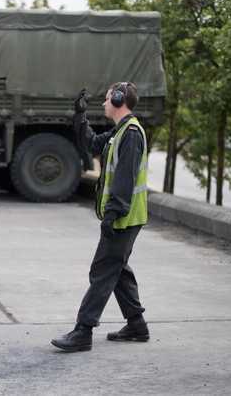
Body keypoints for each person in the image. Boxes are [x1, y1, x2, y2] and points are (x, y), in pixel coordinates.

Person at [51, 82, 150, 352]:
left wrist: (113, 214)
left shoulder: (130, 134)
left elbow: (125, 178)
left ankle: (83, 331)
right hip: (126, 216)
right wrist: (80, 117)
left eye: (107, 99)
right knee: (117, 269)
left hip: (125, 217)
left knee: (103, 270)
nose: (104, 104)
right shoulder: (119, 132)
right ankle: (137, 325)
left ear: (119, 100)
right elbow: (92, 144)